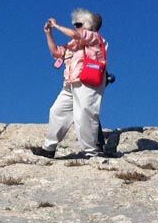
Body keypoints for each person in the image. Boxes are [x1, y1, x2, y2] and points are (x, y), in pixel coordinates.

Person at [31, 9, 107, 159]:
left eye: (78, 24)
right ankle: (49, 148)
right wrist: (48, 33)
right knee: (56, 111)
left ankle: (92, 152)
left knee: (83, 115)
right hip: (71, 84)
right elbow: (56, 52)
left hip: (87, 83)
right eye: (74, 24)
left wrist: (57, 26)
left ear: (90, 26)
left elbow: (75, 34)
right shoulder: (73, 44)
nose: (75, 27)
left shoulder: (94, 38)